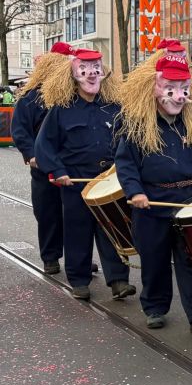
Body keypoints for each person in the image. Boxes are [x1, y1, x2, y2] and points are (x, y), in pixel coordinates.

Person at [115, 53, 192, 332]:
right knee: (155, 260)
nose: (178, 97)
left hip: (191, 201)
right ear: (154, 88)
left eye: (184, 90)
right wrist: (134, 192)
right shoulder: (138, 124)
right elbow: (125, 164)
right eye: (171, 89)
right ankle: (154, 308)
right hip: (152, 204)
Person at [34, 48, 135, 301]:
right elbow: (44, 145)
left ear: (102, 73)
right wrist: (58, 171)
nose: (91, 76)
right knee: (77, 232)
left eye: (96, 70)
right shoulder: (61, 110)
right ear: (75, 74)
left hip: (108, 181)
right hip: (75, 182)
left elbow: (128, 143)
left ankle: (119, 281)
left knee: (111, 229)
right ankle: (79, 281)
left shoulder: (114, 108)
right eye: (85, 70)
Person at [11, 42, 72, 275]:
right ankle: (50, 256)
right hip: (43, 167)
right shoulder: (31, 97)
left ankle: (78, 258)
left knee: (74, 216)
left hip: (71, 165)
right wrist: (32, 155)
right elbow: (19, 131)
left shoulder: (74, 96)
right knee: (48, 212)